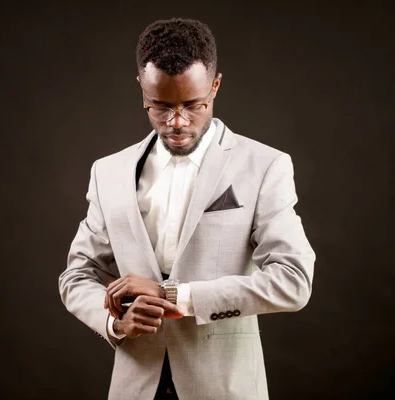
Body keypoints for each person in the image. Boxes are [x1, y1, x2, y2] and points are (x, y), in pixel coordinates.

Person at [58, 18, 315, 400]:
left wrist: (177, 296)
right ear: (142, 89)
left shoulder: (265, 166)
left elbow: (294, 280)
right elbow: (76, 276)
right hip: (134, 386)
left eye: (193, 105)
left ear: (215, 85)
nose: (176, 122)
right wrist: (116, 322)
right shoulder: (107, 172)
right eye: (160, 106)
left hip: (225, 388)